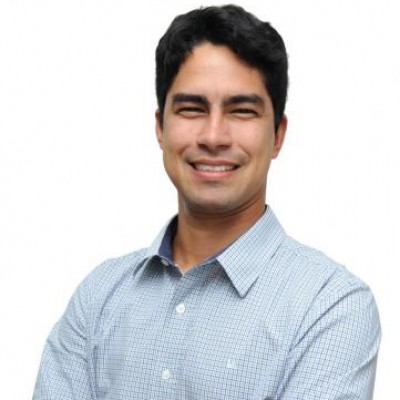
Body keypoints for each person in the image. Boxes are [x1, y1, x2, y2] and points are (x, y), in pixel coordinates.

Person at [33, 4, 381, 399]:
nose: (214, 136)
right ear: (160, 127)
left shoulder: (331, 305)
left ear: (278, 135)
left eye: (242, 111)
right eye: (192, 109)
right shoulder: (98, 295)